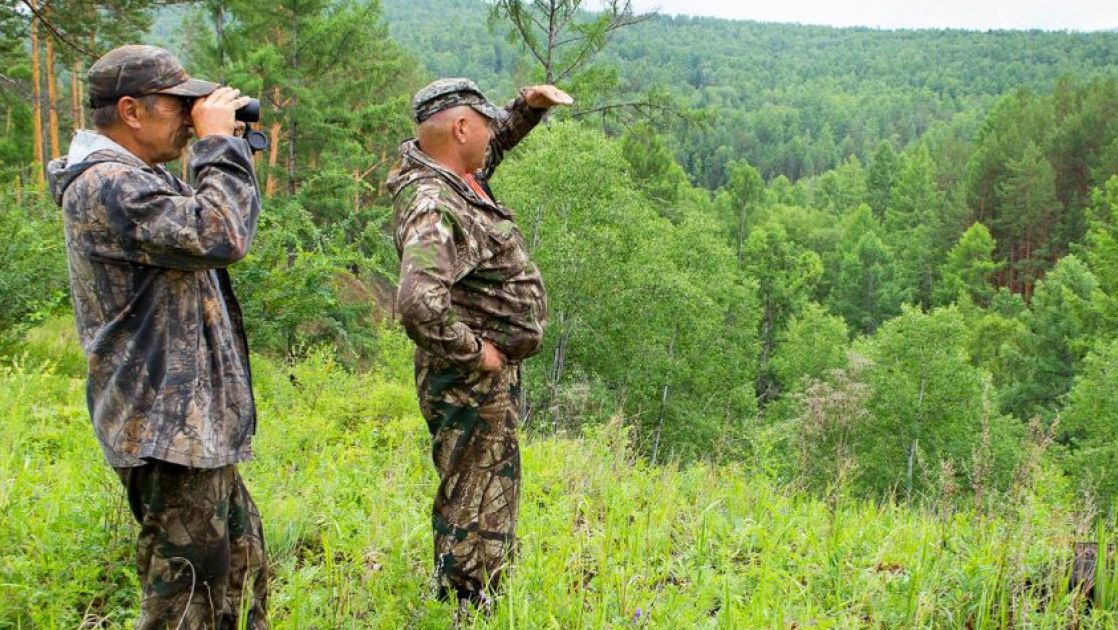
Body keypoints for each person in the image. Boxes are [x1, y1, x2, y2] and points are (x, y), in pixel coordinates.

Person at [47, 45, 268, 629]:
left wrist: (225, 146)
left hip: (192, 430)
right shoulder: (107, 186)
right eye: (181, 106)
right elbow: (220, 233)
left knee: (239, 585)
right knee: (186, 606)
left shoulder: (142, 179)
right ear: (131, 111)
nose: (192, 118)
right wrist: (218, 145)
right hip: (167, 431)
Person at [387, 78, 572, 612]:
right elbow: (419, 302)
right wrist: (479, 353)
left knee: (485, 487)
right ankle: (467, 606)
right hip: (467, 380)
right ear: (461, 128)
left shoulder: (456, 175)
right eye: (484, 122)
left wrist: (527, 110)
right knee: (475, 495)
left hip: (478, 377)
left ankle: (472, 597)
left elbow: (491, 147)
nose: (493, 132)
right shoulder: (434, 203)